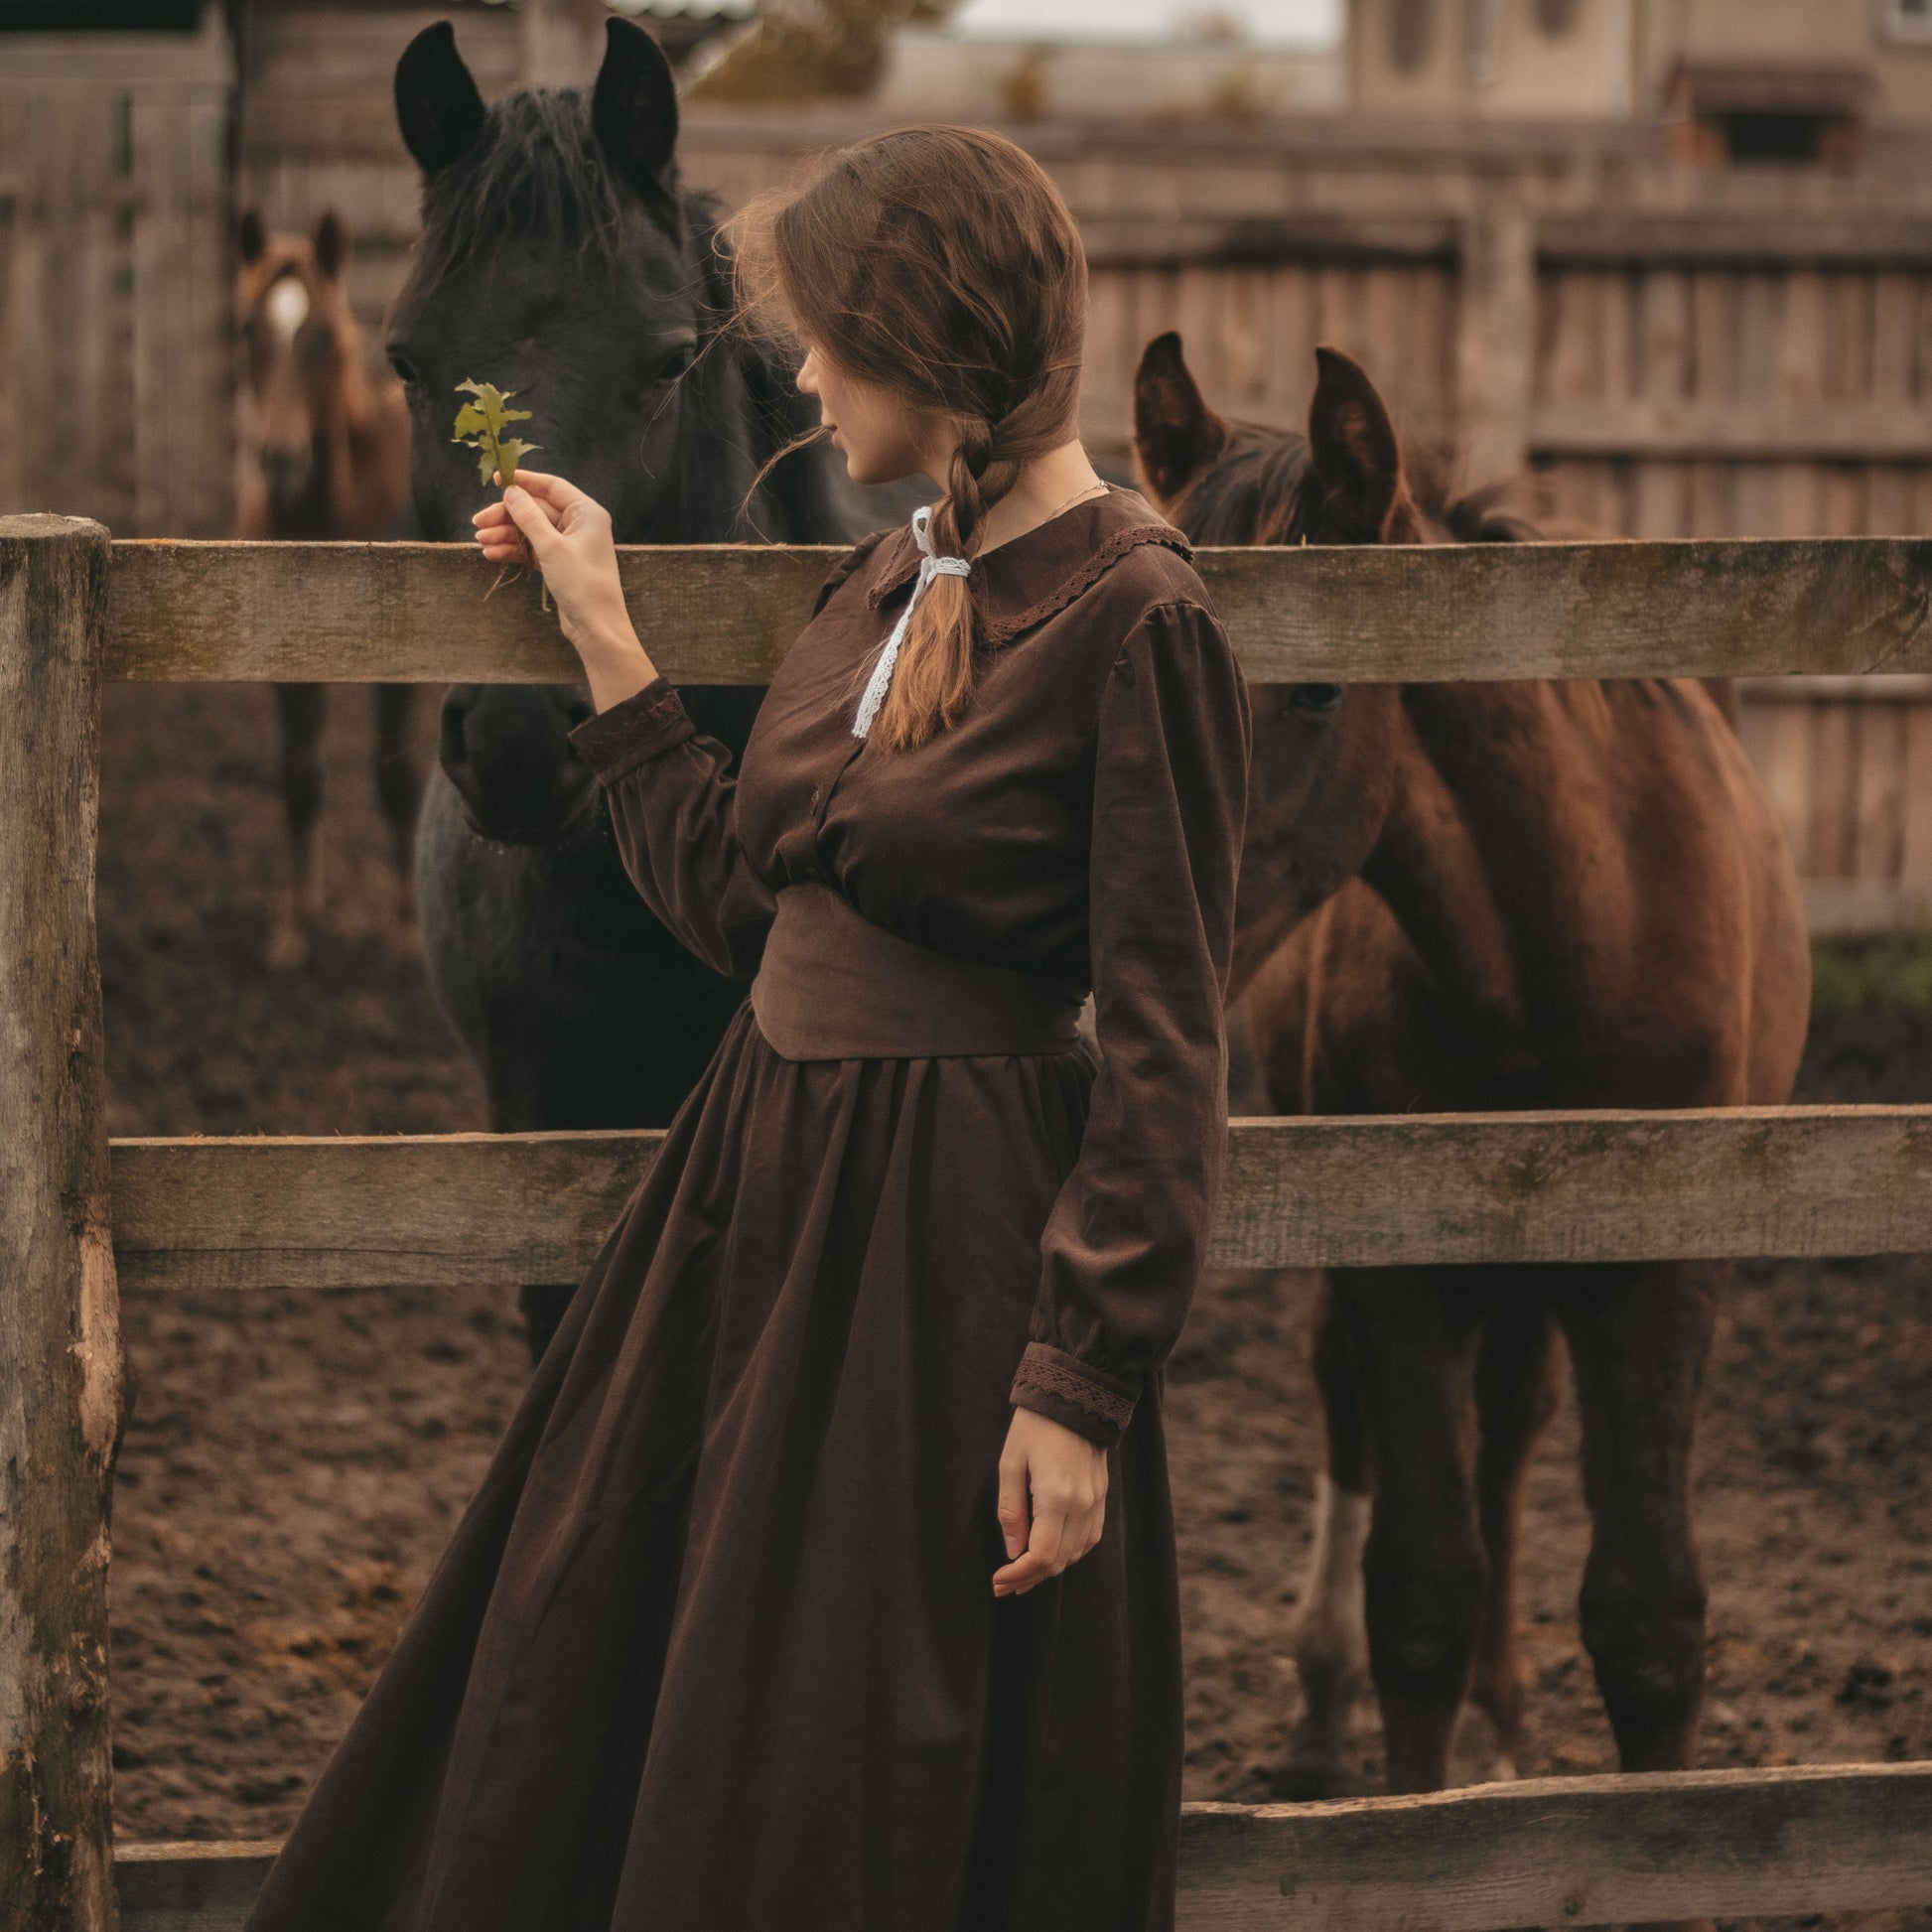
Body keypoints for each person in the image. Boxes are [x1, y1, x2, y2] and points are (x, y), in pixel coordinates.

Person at [242, 124, 1250, 1932]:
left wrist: (1078, 1384)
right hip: (748, 1210)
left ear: (937, 347)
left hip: (944, 1258)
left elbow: (1172, 1043)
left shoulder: (1136, 614)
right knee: (596, 1679)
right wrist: (611, 643)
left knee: (859, 1756)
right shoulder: (877, 590)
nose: (801, 371)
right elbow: (741, 904)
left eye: (834, 333)